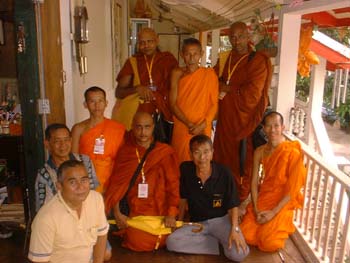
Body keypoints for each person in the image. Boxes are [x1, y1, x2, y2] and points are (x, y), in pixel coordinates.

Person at [213, 21, 272, 202]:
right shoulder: (225, 58)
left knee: (241, 166)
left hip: (243, 124)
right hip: (224, 123)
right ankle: (221, 198)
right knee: (221, 161)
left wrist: (228, 89)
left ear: (248, 37)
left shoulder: (257, 61)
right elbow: (212, 80)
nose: (236, 41)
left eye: (240, 36)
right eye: (232, 37)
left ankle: (238, 202)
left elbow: (252, 96)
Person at [104, 111, 180, 251]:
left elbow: (173, 186)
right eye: (138, 127)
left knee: (167, 237)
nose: (142, 132)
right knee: (136, 240)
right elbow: (116, 187)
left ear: (153, 127)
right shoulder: (126, 152)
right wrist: (117, 214)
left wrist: (171, 213)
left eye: (147, 127)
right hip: (135, 211)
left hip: (159, 209)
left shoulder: (164, 152)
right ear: (132, 127)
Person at [166, 135, 249, 262]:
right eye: (197, 152)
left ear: (212, 153)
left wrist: (235, 229)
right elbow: (183, 198)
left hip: (221, 221)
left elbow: (233, 205)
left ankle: (219, 240)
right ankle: (217, 243)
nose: (202, 157)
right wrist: (180, 222)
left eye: (206, 152)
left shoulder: (224, 173)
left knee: (240, 254)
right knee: (172, 242)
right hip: (197, 223)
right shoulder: (186, 169)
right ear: (190, 154)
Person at [240, 111, 306, 252]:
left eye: (276, 125)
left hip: (282, 202)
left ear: (283, 127)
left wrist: (273, 213)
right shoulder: (259, 151)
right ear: (263, 129)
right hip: (265, 197)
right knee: (246, 235)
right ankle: (261, 223)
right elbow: (254, 183)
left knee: (269, 242)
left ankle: (273, 227)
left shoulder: (292, 152)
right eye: (268, 126)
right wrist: (257, 209)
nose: (272, 130)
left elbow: (293, 189)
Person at [28, 160, 109, 263]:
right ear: (59, 186)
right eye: (72, 182)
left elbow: (101, 234)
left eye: (84, 180)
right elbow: (39, 261)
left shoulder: (96, 200)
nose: (80, 187)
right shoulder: (46, 218)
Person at [113, 27, 178, 141]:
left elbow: (177, 87)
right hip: (139, 116)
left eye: (150, 41)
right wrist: (137, 89)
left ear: (157, 40)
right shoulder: (132, 62)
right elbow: (119, 93)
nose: (146, 45)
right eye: (142, 42)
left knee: (161, 149)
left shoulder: (168, 60)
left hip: (163, 113)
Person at [170, 38, 218, 163]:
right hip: (183, 127)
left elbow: (214, 104)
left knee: (202, 161)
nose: (192, 58)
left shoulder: (209, 74)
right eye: (187, 54)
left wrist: (202, 125)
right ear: (182, 55)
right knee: (181, 163)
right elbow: (172, 103)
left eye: (195, 54)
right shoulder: (177, 73)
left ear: (201, 54)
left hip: (203, 127)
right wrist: (189, 124)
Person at [72, 86, 125, 193]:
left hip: (111, 179)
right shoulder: (78, 129)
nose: (97, 105)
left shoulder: (118, 128)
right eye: (92, 101)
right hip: (86, 180)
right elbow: (73, 158)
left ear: (106, 103)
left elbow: (123, 158)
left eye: (100, 101)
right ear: (85, 104)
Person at [35, 123, 99, 212]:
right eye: (57, 141)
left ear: (71, 140)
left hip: (87, 215)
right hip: (61, 220)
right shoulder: (44, 174)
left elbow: (92, 191)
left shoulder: (85, 161)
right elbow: (44, 209)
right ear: (47, 144)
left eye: (66, 140)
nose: (63, 145)